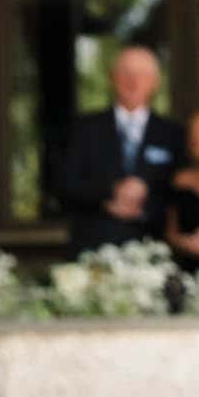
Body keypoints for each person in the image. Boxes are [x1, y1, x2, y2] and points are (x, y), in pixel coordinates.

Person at [59, 44, 187, 258]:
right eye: (125, 73)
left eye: (142, 75)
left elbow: (182, 192)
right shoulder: (84, 128)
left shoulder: (173, 134)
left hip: (156, 251)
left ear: (155, 82)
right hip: (93, 250)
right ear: (112, 78)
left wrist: (145, 196)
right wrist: (111, 192)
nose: (133, 81)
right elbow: (63, 185)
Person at [165, 110, 199, 272]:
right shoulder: (179, 181)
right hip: (189, 269)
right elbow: (170, 233)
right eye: (195, 134)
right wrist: (186, 243)